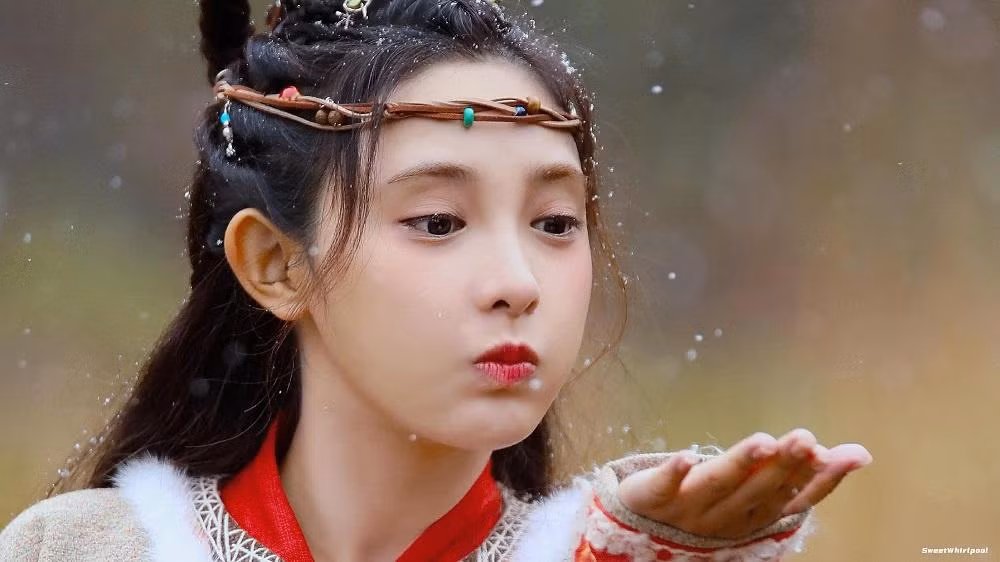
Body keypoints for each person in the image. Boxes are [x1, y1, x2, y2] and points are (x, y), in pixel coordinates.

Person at [0, 0, 872, 560]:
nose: (517, 283)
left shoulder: (629, 552)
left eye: (554, 223)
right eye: (439, 222)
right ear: (277, 264)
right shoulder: (87, 551)